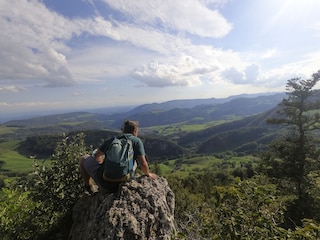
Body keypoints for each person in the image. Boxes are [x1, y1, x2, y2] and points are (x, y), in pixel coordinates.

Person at [80, 119, 157, 193]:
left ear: (123, 130)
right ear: (135, 131)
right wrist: (148, 174)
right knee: (134, 160)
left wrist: (102, 165)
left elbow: (97, 155)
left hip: (105, 184)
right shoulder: (136, 141)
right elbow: (143, 164)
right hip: (125, 182)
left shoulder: (112, 140)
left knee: (84, 158)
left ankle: (89, 187)